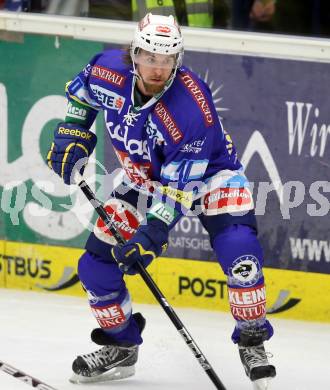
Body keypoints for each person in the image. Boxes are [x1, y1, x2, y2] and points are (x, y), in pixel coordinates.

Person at [46, 12, 276, 388]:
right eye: (150, 57)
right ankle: (122, 346)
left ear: (177, 61)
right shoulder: (106, 71)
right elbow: (82, 97)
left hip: (212, 176)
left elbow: (177, 189)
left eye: (166, 60)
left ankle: (252, 339)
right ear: (134, 53)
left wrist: (152, 235)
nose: (157, 68)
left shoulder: (190, 106)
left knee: (240, 251)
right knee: (94, 267)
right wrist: (72, 131)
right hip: (144, 179)